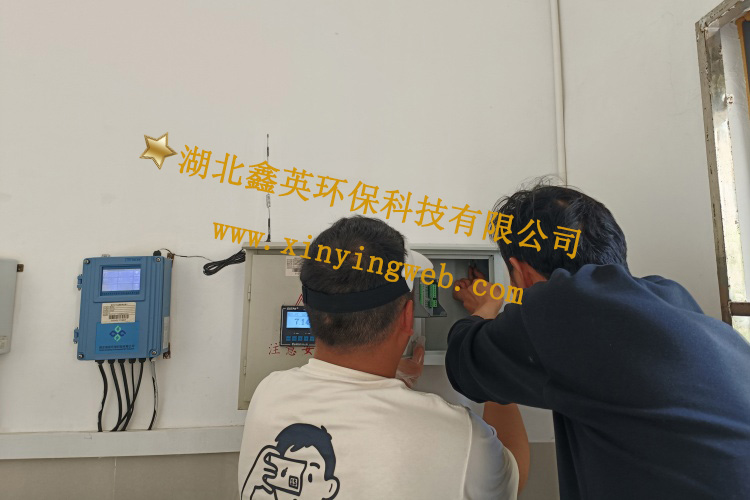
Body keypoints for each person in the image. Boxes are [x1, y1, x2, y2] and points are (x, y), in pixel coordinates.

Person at [448, 182, 750, 500]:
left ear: (521, 272)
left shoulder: (561, 308)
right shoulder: (673, 298)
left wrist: (485, 308)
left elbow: (462, 364)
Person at [238, 216, 529, 500]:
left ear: (310, 311)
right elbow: (512, 476)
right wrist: (489, 342)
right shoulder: (458, 436)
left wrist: (390, 383)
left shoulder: (268, 394)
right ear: (407, 317)